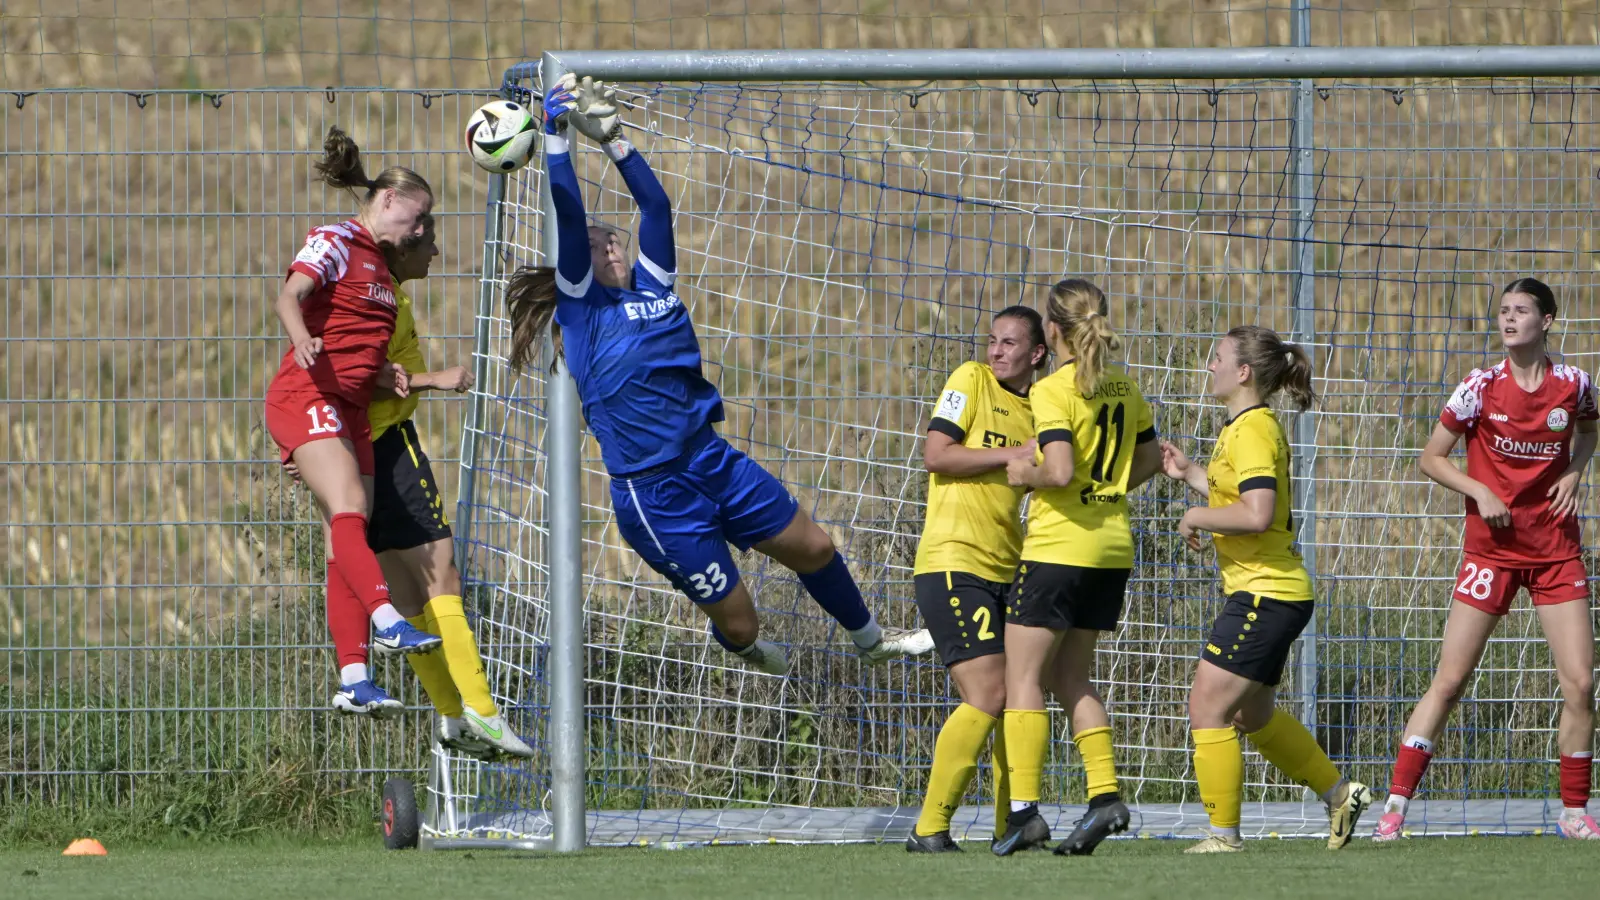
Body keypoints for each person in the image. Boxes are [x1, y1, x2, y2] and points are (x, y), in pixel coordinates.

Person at [499, 75, 930, 676]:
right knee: (742, 623)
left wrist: (615, 140)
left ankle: (873, 640)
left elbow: (656, 207)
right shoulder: (584, 312)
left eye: (612, 238)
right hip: (657, 496)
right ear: (579, 265)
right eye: (598, 245)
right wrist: (555, 138)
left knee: (817, 548)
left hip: (713, 459)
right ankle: (745, 649)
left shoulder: (655, 287)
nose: (610, 244)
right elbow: (570, 218)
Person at [286, 215, 533, 758]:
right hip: (384, 445)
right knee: (440, 574)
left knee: (405, 587)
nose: (437, 253)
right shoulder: (379, 298)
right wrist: (433, 379)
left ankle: (451, 714)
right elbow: (359, 374)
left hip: (350, 447)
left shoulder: (372, 286)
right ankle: (483, 714)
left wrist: (311, 440)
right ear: (402, 246)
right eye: (429, 242)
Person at [1373, 278, 1599, 841]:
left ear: (1546, 321)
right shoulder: (1479, 386)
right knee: (1449, 680)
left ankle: (1573, 812)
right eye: (1503, 311)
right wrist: (1479, 490)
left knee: (1580, 685)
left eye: (1521, 311)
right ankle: (1395, 808)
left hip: (1554, 553)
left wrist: (1575, 469)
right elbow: (1431, 458)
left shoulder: (1574, 385)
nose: (1508, 319)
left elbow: (1591, 431)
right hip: (1491, 555)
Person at [1159, 325, 1371, 853]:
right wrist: (1191, 474)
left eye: (1217, 358)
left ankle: (1222, 837)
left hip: (1265, 592)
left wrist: (1196, 516)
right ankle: (1341, 794)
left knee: (1206, 707)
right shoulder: (1244, 426)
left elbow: (1257, 514)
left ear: (1244, 372)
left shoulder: (1253, 428)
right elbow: (1241, 493)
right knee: (1250, 715)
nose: (1209, 366)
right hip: (1272, 591)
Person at [264, 126, 441, 717]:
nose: (420, 232)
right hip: (305, 394)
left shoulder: (381, 270)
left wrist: (388, 374)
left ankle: (354, 679)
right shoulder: (337, 238)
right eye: (418, 219)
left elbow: (357, 340)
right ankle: (387, 619)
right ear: (388, 201)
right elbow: (290, 296)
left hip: (352, 408)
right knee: (349, 509)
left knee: (348, 541)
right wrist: (302, 341)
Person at [992, 278, 1162, 857]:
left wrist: (1025, 474)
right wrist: (1108, 490)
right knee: (1072, 679)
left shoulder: (1055, 390)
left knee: (1023, 680)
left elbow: (1058, 470)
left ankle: (1024, 814)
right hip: (1110, 551)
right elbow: (1148, 459)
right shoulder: (1124, 385)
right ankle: (1104, 796)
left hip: (1058, 551)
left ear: (1054, 331)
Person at [906, 307, 1049, 853]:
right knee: (990, 693)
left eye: (1009, 344)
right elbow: (936, 455)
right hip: (952, 562)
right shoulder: (970, 380)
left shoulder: (1043, 408)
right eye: (993, 340)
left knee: (1017, 699)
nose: (996, 351)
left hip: (1007, 568)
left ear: (1036, 354)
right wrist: (1011, 453)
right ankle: (929, 829)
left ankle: (1010, 829)